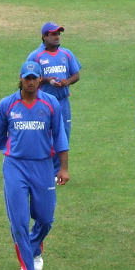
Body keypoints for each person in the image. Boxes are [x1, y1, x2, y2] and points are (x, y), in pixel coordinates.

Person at [0, 61, 70, 270]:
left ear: (39, 79)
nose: (31, 82)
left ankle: (34, 248)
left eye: (35, 78)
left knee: (45, 218)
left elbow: (60, 137)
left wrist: (63, 167)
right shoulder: (7, 105)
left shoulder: (51, 103)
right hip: (15, 166)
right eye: (27, 78)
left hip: (43, 166)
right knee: (20, 221)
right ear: (21, 79)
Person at [27, 22, 81, 174]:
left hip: (63, 103)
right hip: (43, 104)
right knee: (44, 136)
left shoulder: (66, 54)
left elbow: (76, 75)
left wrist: (67, 82)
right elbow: (29, 78)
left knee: (63, 135)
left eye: (58, 34)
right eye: (53, 34)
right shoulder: (35, 56)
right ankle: (43, 169)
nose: (57, 37)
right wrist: (46, 80)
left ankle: (58, 171)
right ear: (44, 37)